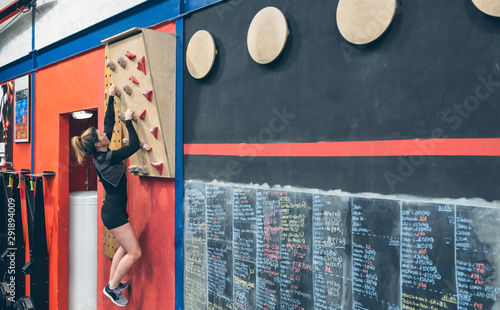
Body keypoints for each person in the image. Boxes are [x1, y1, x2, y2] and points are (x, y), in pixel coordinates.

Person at [71, 85, 141, 307]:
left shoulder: (102, 152)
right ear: (98, 144)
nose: (104, 133)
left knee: (124, 247)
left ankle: (115, 283)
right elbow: (134, 146)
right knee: (135, 252)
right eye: (101, 135)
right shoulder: (106, 158)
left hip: (114, 210)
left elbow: (109, 123)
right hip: (113, 213)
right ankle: (111, 288)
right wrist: (129, 122)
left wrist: (111, 99)